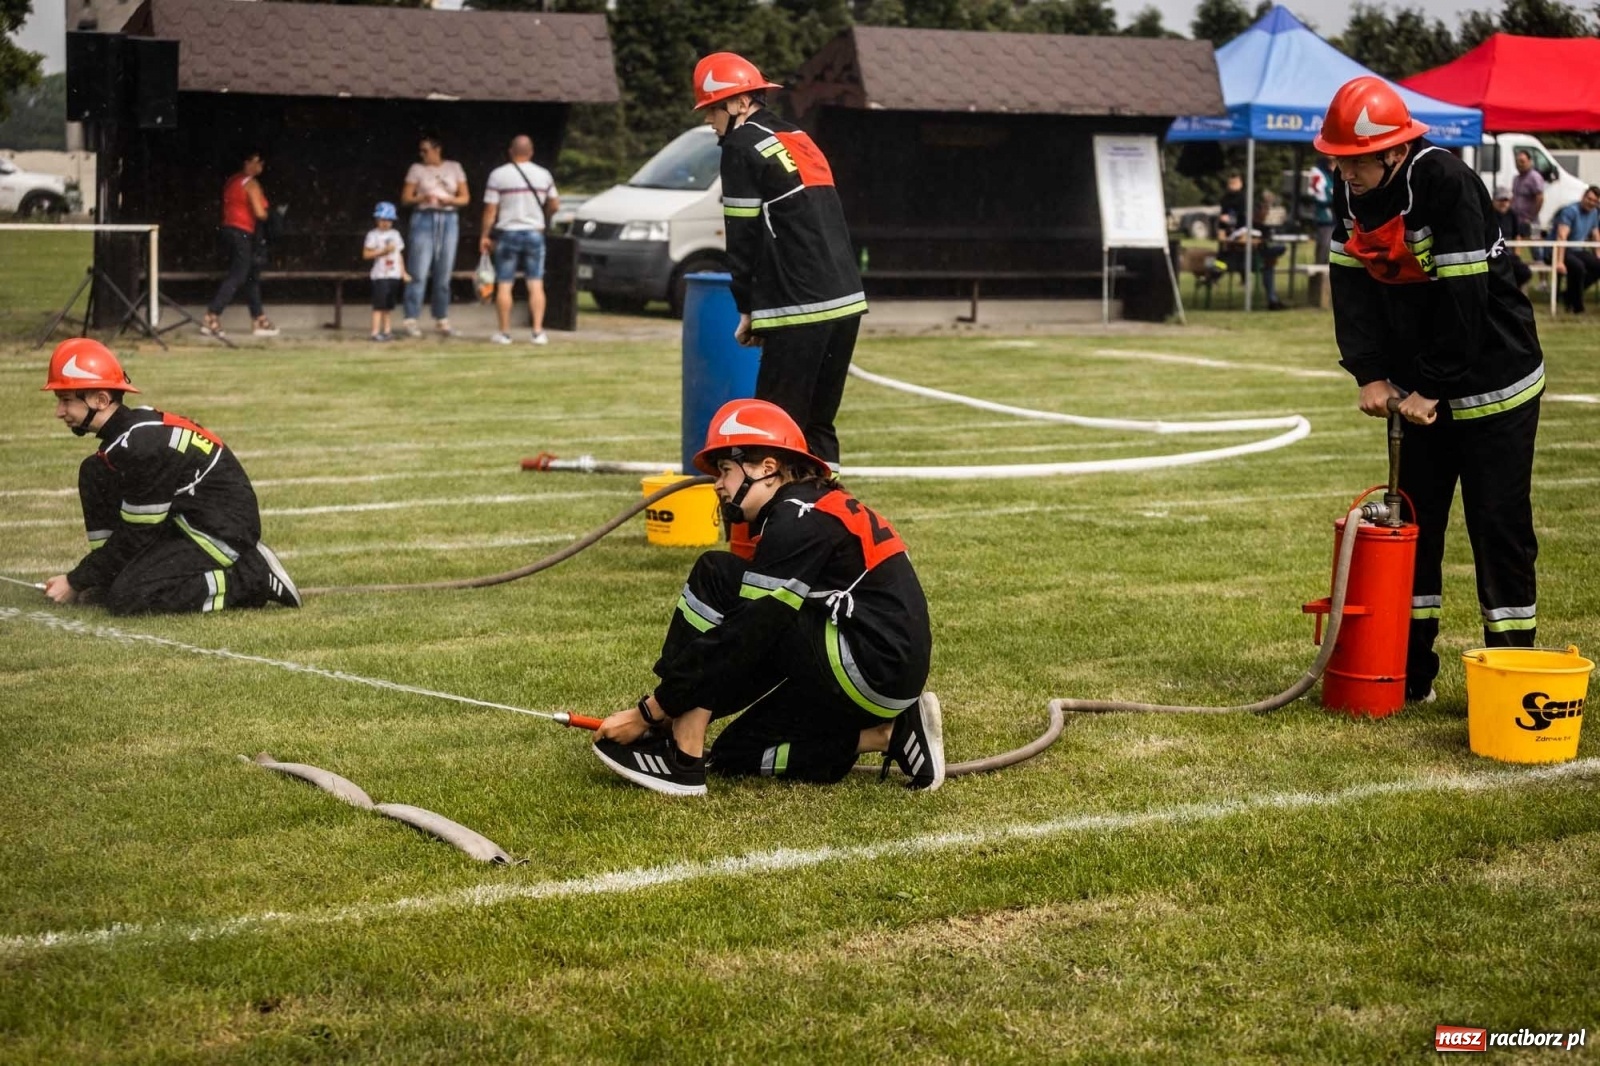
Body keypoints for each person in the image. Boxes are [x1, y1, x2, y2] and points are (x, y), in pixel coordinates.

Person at [1318, 76, 1544, 702]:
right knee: (1414, 529)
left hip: (1495, 383)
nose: (1344, 171)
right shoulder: (1352, 191)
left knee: (1498, 528)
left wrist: (1432, 387)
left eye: (1356, 159)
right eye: (1338, 159)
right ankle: (1407, 674)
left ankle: (1511, 680)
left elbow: (1464, 298)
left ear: (1395, 151)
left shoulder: (1445, 182)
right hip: (1419, 388)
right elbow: (1351, 287)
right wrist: (1369, 372)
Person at [591, 398, 941, 796]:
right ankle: (890, 734)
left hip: (866, 667)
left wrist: (651, 711)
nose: (718, 484)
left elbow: (749, 635)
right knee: (735, 754)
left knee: (718, 577)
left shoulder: (796, 517)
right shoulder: (812, 504)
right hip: (883, 675)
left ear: (767, 468)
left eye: (725, 470)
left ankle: (683, 756)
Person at [39, 339, 300, 616]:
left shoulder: (142, 448)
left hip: (221, 529)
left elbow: (137, 537)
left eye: (66, 400)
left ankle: (251, 576)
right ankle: (109, 578)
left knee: (128, 597)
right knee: (93, 472)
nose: (59, 412)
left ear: (101, 400)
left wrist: (75, 580)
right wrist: (96, 579)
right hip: (188, 517)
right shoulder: (130, 438)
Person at [693, 52, 866, 467]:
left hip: (798, 303)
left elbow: (742, 235)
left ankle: (779, 511)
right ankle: (826, 502)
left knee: (773, 428)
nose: (709, 120)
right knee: (818, 425)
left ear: (739, 103)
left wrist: (747, 308)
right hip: (845, 298)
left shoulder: (739, 145)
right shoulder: (797, 135)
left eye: (712, 109)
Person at [478, 134, 560, 346]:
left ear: (510, 152)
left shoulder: (498, 175)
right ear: (531, 152)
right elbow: (555, 205)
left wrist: (485, 235)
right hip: (534, 232)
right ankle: (538, 332)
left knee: (505, 284)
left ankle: (504, 333)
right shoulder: (543, 174)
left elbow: (490, 210)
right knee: (535, 283)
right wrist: (543, 217)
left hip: (508, 233)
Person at [202, 150, 279, 340]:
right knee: (238, 274)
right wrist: (274, 217)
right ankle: (212, 315)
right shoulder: (251, 183)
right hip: (243, 232)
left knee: (251, 276)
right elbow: (260, 213)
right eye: (258, 161)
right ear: (248, 162)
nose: (261, 166)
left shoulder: (232, 181)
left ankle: (258, 318)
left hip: (229, 230)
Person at [400, 136, 470, 339]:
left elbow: (465, 197)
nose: (422, 154)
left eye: (426, 150)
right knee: (419, 270)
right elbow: (406, 198)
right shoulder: (417, 169)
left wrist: (450, 200)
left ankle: (441, 318)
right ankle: (411, 318)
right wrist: (422, 197)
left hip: (448, 217)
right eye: (420, 151)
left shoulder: (454, 167)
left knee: (444, 270)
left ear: (437, 149)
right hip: (424, 217)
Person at [1218, 177, 1287, 310]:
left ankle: (1272, 300)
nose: (1266, 213)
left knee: (1270, 261)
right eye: (1264, 210)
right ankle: (1272, 300)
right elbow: (1233, 242)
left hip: (1254, 259)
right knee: (1270, 260)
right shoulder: (1242, 226)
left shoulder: (1259, 226)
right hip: (1238, 261)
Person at [363, 201, 408, 341]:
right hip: (380, 275)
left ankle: (387, 331)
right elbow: (366, 254)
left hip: (393, 274)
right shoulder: (373, 235)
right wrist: (383, 251)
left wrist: (403, 272)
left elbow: (399, 255)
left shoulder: (395, 234)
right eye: (382, 220)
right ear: (377, 219)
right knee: (379, 305)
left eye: (389, 220)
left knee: (388, 306)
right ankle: (375, 332)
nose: (386, 223)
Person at [1552, 184, 1600, 314]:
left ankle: (1569, 294)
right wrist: (1559, 262)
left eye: (1594, 201)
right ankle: (1577, 307)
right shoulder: (1570, 211)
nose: (1591, 203)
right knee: (1578, 267)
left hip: (1577, 250)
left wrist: (1598, 254)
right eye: (1589, 199)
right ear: (1583, 197)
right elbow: (1561, 236)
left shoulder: (1594, 212)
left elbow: (1596, 234)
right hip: (1559, 249)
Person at [1489, 185, 1532, 288]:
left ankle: (1512, 290)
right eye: (1500, 200)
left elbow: (1517, 236)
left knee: (1524, 272)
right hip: (1493, 255)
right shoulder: (1488, 215)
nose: (1504, 203)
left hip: (1509, 256)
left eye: (1506, 200)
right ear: (1494, 200)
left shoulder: (1512, 215)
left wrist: (1516, 254)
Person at [1510, 150, 1546, 234]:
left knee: (1531, 241)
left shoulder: (1534, 177)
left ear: (1529, 162)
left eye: (1522, 161)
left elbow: (1540, 198)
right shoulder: (1516, 179)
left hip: (1529, 221)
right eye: (1517, 162)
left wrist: (1530, 217)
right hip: (1517, 220)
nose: (1519, 164)